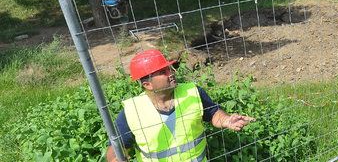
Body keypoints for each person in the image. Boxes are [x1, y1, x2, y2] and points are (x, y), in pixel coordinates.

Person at [105, 49, 255, 162]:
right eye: (163, 71)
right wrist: (115, 159)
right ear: (147, 84)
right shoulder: (133, 110)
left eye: (169, 68)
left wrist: (226, 120)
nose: (171, 73)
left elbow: (213, 113)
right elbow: (116, 147)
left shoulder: (193, 92)